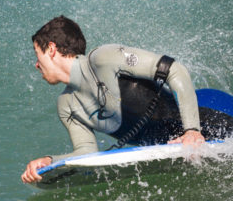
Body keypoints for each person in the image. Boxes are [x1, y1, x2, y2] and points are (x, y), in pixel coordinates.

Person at [21, 15, 208, 184]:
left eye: (37, 54)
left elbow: (175, 70)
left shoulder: (103, 59)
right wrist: (49, 161)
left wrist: (192, 131)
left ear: (52, 49)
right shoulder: (67, 105)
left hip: (206, 128)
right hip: (171, 148)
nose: (36, 64)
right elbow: (87, 154)